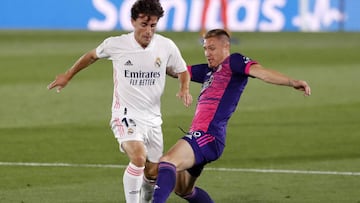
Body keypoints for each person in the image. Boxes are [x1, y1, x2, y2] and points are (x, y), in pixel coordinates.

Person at [47, 1, 193, 202]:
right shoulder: (116, 44)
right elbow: (91, 56)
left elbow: (182, 70)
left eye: (153, 26)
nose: (148, 31)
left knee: (152, 172)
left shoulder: (166, 45)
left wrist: (184, 87)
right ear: (133, 21)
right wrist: (68, 75)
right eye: (143, 24)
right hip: (125, 114)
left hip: (153, 119)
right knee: (139, 157)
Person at [152, 29, 311, 203]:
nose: (207, 53)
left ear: (226, 46)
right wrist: (152, 60)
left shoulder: (234, 62)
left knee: (167, 162)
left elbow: (263, 73)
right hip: (201, 136)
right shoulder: (207, 71)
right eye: (205, 49)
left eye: (212, 48)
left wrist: (292, 82)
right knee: (183, 190)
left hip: (208, 136)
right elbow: (177, 71)